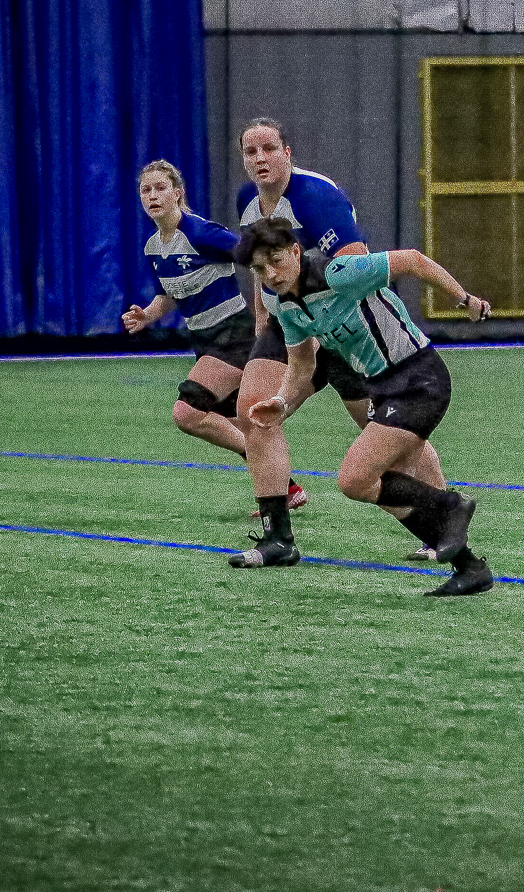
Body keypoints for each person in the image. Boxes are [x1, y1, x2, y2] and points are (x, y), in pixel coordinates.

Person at [233, 218, 496, 596]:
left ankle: (450, 505)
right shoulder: (279, 301)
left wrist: (465, 300)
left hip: (419, 379)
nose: (270, 275)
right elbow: (302, 363)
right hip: (385, 390)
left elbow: (413, 260)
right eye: (259, 269)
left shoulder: (340, 273)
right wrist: (281, 401)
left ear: (295, 251)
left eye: (276, 260)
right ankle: (470, 568)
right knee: (394, 488)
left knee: (356, 479)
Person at [230, 119, 378, 534]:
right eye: (250, 151)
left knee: (383, 429)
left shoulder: (315, 197)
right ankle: (277, 534)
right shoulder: (247, 199)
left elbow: (357, 263)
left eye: (269, 148)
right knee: (254, 412)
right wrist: (262, 313)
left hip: (342, 324)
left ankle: (441, 518)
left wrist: (320, 327)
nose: (260, 158)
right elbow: (260, 260)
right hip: (288, 320)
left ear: (287, 152)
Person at [121, 160, 256, 458]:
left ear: (177, 193)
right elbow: (169, 295)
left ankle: (268, 464)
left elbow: (256, 255)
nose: (152, 196)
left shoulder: (200, 233)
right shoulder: (153, 247)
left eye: (160, 188)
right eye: (146, 190)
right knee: (236, 425)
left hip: (234, 335)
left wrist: (270, 308)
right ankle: (281, 481)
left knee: (187, 413)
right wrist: (147, 315)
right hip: (203, 340)